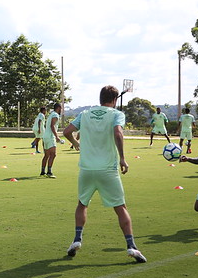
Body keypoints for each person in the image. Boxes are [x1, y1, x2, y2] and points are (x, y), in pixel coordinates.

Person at [62, 85, 147, 263]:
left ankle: (77, 239)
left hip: (86, 169)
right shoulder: (116, 114)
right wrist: (122, 158)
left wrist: (76, 144)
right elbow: (118, 132)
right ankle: (131, 246)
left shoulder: (85, 114)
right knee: (120, 208)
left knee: (82, 204)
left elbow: (67, 132)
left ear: (100, 98)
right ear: (115, 100)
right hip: (107, 170)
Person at [41, 103, 62, 178]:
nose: (61, 110)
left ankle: (42, 171)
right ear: (58, 108)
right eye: (61, 108)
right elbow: (52, 126)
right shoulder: (55, 115)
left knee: (46, 155)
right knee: (53, 154)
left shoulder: (51, 114)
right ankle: (49, 172)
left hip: (45, 137)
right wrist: (57, 137)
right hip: (50, 137)